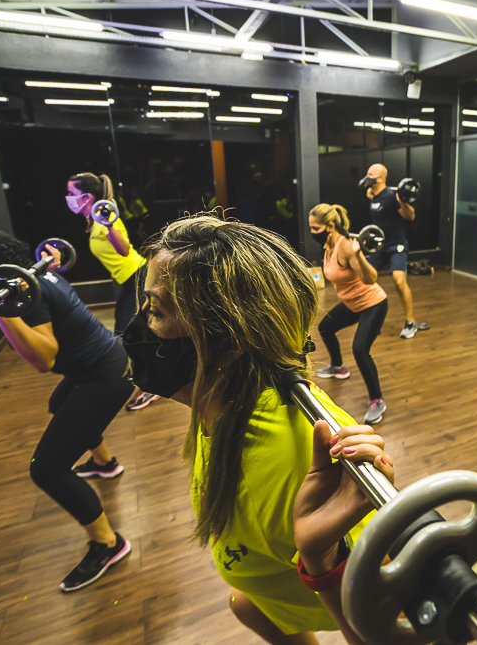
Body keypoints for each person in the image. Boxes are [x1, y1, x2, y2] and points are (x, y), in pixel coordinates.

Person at [121, 214, 393, 644]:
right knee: (245, 605)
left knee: (245, 603)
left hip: (329, 599)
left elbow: (381, 626)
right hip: (267, 588)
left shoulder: (293, 460)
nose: (137, 324)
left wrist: (321, 561)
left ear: (228, 343)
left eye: (154, 310)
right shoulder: (223, 405)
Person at [0, 226, 135, 592]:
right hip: (101, 361)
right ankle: (104, 463)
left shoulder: (19, 293)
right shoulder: (28, 271)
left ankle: (108, 544)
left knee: (47, 469)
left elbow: (44, 359)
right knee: (59, 403)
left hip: (105, 374)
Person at [66, 172, 158, 411]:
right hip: (128, 280)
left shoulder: (105, 216)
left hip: (138, 275)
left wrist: (108, 224)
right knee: (123, 331)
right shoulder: (93, 219)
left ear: (87, 196)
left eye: (72, 194)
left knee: (131, 332)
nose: (68, 198)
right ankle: (145, 380)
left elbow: (125, 249)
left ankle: (151, 387)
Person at [309, 204, 389, 425]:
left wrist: (359, 255)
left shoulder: (345, 247)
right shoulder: (328, 245)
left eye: (316, 228)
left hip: (373, 303)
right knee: (325, 327)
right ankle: (338, 368)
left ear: (330, 226)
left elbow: (371, 279)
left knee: (360, 349)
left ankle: (377, 399)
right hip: (353, 304)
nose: (312, 232)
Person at [362, 163, 428, 339]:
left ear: (381, 178)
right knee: (366, 280)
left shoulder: (393, 197)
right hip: (380, 247)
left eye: (370, 174)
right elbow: (371, 195)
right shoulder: (373, 194)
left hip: (397, 246)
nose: (367, 176)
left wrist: (403, 201)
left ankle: (410, 321)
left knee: (399, 281)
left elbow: (411, 216)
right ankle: (373, 320)